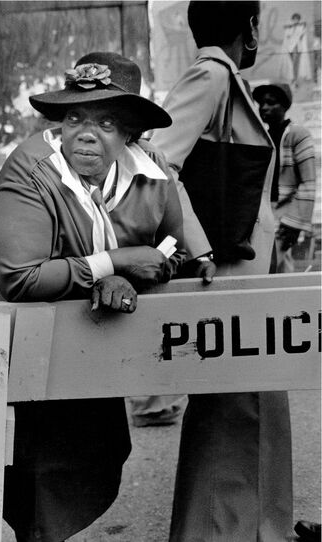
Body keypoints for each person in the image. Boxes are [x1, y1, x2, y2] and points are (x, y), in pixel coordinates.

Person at [0, 52, 186, 541]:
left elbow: (181, 248)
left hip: (99, 346)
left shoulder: (151, 168)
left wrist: (129, 278)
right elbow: (21, 277)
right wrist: (113, 264)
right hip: (38, 347)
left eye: (107, 121)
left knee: (97, 453)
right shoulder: (32, 168)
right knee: (38, 474)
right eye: (75, 117)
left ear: (131, 135)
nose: (86, 132)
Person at [149, 2, 293, 540]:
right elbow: (158, 161)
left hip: (247, 273)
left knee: (253, 400)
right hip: (229, 273)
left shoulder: (224, 80)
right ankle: (223, 530)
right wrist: (199, 246)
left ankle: (254, 526)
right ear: (250, 27)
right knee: (233, 404)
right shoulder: (210, 75)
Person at [253, 82, 317, 273]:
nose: (264, 107)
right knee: (277, 265)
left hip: (286, 210)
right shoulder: (262, 136)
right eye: (262, 103)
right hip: (265, 209)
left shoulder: (298, 134)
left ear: (284, 106)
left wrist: (294, 221)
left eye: (271, 102)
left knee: (273, 264)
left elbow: (308, 182)